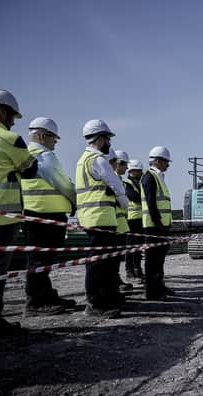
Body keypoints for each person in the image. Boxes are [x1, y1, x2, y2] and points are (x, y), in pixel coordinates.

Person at [0, 89, 38, 339]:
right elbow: (30, 169)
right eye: (12, 116)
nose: (13, 122)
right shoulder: (9, 138)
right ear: (2, 111)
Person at [21, 117, 77, 316]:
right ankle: (37, 302)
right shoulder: (44, 155)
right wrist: (74, 201)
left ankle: (45, 295)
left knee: (39, 259)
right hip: (45, 215)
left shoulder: (24, 155)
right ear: (43, 135)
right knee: (40, 260)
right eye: (54, 138)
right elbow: (62, 183)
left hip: (34, 213)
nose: (56, 142)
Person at [75, 120, 129, 318]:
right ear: (99, 138)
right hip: (100, 218)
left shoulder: (83, 159)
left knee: (100, 263)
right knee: (99, 264)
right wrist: (123, 201)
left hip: (90, 217)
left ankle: (105, 298)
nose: (108, 141)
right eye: (107, 137)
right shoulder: (97, 159)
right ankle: (96, 303)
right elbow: (115, 183)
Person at [141, 146, 173, 300]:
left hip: (161, 225)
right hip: (154, 226)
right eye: (166, 162)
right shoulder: (149, 177)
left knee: (159, 259)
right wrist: (157, 221)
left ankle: (159, 285)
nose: (168, 165)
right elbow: (150, 202)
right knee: (153, 259)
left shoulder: (158, 176)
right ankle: (152, 291)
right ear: (158, 161)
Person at [111, 150, 133, 291]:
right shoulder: (112, 179)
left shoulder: (119, 180)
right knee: (112, 257)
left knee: (117, 256)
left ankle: (116, 279)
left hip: (121, 223)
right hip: (113, 225)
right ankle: (114, 282)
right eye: (123, 164)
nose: (126, 167)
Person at [124, 159, 144, 281]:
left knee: (139, 246)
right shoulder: (126, 183)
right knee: (130, 246)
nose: (141, 173)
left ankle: (137, 269)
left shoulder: (139, 182)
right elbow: (134, 197)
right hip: (131, 218)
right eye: (139, 171)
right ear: (132, 171)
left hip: (140, 218)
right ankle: (129, 270)